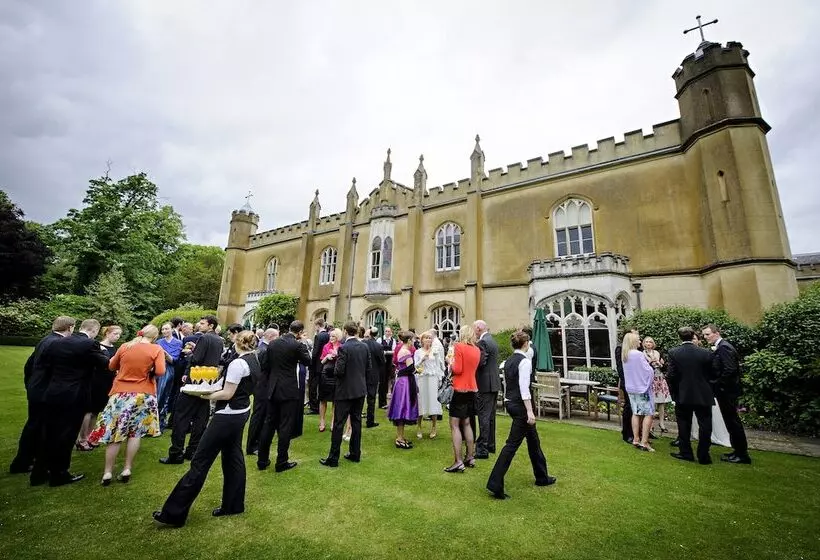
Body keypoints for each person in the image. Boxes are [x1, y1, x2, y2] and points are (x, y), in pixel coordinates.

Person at [153, 331, 259, 528]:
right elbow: (228, 385)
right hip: (241, 412)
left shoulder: (238, 363)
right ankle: (233, 505)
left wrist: (204, 396)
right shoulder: (254, 359)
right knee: (233, 458)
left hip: (228, 415)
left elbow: (227, 394)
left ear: (237, 342)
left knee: (200, 462)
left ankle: (174, 513)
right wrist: (208, 388)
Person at [34, 319, 110, 486]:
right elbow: (106, 365)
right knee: (66, 435)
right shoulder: (90, 344)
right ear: (95, 331)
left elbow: (46, 366)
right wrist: (103, 353)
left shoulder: (57, 342)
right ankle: (59, 474)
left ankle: (38, 473)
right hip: (74, 395)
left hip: (53, 392)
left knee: (48, 433)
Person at [89, 325, 166, 484]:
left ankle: (107, 472)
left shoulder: (125, 346)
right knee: (135, 433)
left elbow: (111, 365)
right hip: (143, 394)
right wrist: (148, 371)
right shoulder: (156, 349)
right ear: (154, 336)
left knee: (115, 433)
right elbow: (160, 371)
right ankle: (127, 468)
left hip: (121, 393)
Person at [486, 331, 556, 499]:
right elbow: (524, 388)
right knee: (511, 445)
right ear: (526, 344)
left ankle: (542, 476)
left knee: (533, 440)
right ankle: (495, 483)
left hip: (511, 402)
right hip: (520, 406)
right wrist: (530, 411)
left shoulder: (508, 361)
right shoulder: (524, 362)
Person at [9, 316, 75, 475]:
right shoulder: (57, 343)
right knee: (40, 427)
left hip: (37, 389)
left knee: (34, 426)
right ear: (70, 328)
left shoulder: (45, 340)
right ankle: (26, 462)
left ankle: (24, 461)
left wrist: (30, 385)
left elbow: (29, 365)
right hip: (45, 391)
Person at [160, 316, 224, 464]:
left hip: (194, 380)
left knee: (180, 418)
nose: (199, 325)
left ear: (211, 325)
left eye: (202, 323)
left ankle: (176, 453)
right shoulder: (219, 340)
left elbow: (197, 359)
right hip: (208, 382)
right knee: (200, 419)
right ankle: (192, 450)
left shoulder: (204, 338)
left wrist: (190, 354)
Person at [257, 320, 311, 473]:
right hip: (288, 390)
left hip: (273, 388)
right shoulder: (298, 345)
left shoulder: (273, 343)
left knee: (269, 424)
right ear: (300, 332)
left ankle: (262, 460)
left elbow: (265, 365)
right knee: (285, 426)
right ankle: (281, 461)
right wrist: (302, 348)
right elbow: (308, 361)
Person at [320, 321, 371, 467]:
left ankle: (333, 458)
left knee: (338, 424)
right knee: (356, 422)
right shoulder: (364, 346)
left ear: (345, 331)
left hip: (345, 390)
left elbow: (339, 371)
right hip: (360, 390)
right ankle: (355, 453)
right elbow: (368, 368)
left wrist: (331, 370)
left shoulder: (344, 348)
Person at [702, 324, 751, 464]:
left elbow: (729, 370)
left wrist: (718, 385)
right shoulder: (721, 347)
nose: (705, 337)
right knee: (730, 422)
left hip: (728, 392)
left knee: (733, 422)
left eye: (707, 334)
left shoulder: (724, 347)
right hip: (726, 391)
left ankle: (742, 454)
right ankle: (737, 450)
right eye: (704, 335)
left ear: (716, 333)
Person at [666, 327, 715, 465]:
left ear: (680, 337)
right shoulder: (705, 353)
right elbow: (712, 373)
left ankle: (686, 452)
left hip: (683, 394)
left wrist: (675, 392)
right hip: (703, 394)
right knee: (705, 425)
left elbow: (671, 375)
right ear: (693, 335)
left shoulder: (674, 352)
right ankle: (704, 455)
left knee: (684, 424)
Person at [444, 325, 480, 472]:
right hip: (472, 388)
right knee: (467, 423)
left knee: (454, 424)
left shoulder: (459, 346)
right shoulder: (477, 349)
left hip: (459, 388)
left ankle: (458, 460)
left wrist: (449, 362)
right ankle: (470, 456)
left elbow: (457, 369)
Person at [245, 328, 278, 455]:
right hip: (262, 387)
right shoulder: (264, 349)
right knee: (258, 416)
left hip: (261, 386)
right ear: (271, 336)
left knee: (260, 415)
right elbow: (263, 369)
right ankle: (252, 445)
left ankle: (255, 443)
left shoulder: (261, 348)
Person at [622, 331, 656, 452]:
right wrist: (651, 365)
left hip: (631, 388)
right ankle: (644, 442)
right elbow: (648, 371)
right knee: (649, 413)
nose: (640, 341)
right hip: (642, 388)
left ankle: (636, 439)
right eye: (638, 339)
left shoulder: (625, 354)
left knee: (636, 413)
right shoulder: (637, 354)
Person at [387, 332, 419, 449]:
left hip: (403, 381)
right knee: (402, 409)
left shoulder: (402, 350)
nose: (414, 342)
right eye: (413, 340)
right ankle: (399, 438)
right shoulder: (406, 351)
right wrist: (416, 369)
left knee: (403, 408)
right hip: (404, 383)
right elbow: (410, 368)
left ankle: (401, 436)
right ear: (409, 340)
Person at [474, 320, 500, 458]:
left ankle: (482, 449)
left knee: (484, 416)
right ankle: (490, 445)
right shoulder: (492, 340)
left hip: (485, 384)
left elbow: (481, 362)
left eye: (474, 329)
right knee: (490, 417)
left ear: (478, 328)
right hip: (494, 383)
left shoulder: (483, 342)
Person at [414, 331, 444, 439]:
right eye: (426, 338)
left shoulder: (435, 351)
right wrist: (423, 358)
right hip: (422, 378)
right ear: (422, 340)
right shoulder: (418, 352)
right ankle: (419, 427)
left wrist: (440, 379)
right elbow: (415, 366)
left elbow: (439, 365)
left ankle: (434, 427)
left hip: (432, 378)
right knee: (421, 402)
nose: (428, 339)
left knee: (433, 402)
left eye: (430, 338)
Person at [317, 329, 343, 433]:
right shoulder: (326, 346)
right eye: (330, 336)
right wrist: (327, 357)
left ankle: (333, 422)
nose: (331, 338)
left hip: (336, 375)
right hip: (326, 374)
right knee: (323, 399)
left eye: (333, 336)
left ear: (338, 337)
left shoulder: (342, 347)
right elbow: (322, 361)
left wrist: (337, 355)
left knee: (335, 400)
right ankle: (322, 421)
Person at [644, 337, 671, 434]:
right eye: (646, 342)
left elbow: (662, 366)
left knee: (661, 402)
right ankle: (650, 425)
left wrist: (659, 363)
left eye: (650, 341)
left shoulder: (657, 353)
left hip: (659, 378)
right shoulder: (642, 354)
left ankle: (662, 423)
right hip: (651, 379)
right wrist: (650, 362)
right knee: (652, 402)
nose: (648, 343)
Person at [362, 327, 385, 428]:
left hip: (362, 373)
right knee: (371, 398)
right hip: (373, 374)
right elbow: (382, 361)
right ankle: (370, 421)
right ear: (377, 335)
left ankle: (357, 417)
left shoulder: (363, 344)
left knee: (360, 397)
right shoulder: (378, 346)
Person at [308, 319, 330, 414]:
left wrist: (310, 363)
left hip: (316, 365)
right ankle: (319, 404)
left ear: (317, 325)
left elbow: (315, 352)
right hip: (325, 364)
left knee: (313, 387)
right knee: (321, 386)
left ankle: (314, 407)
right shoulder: (328, 335)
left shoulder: (318, 336)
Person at [377, 326, 398, 409]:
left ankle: (385, 401)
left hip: (389, 363)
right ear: (384, 332)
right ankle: (381, 402)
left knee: (388, 381)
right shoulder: (380, 340)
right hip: (382, 363)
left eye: (389, 331)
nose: (387, 333)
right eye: (386, 331)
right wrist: (386, 352)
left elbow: (394, 351)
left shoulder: (393, 340)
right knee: (382, 382)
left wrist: (386, 352)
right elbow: (378, 350)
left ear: (391, 332)